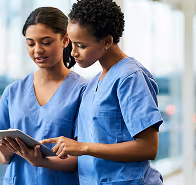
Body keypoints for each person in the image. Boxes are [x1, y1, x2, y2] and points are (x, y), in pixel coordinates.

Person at [41, 0, 164, 184]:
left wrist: (83, 147)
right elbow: (88, 151)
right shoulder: (93, 84)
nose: (73, 53)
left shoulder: (130, 77)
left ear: (107, 41)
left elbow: (149, 147)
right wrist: (42, 157)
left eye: (81, 45)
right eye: (71, 44)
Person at [0, 7, 86, 185]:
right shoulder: (13, 91)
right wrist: (6, 150)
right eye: (31, 43)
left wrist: (42, 162)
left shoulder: (82, 91)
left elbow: (85, 156)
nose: (38, 50)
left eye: (46, 42)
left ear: (65, 40)